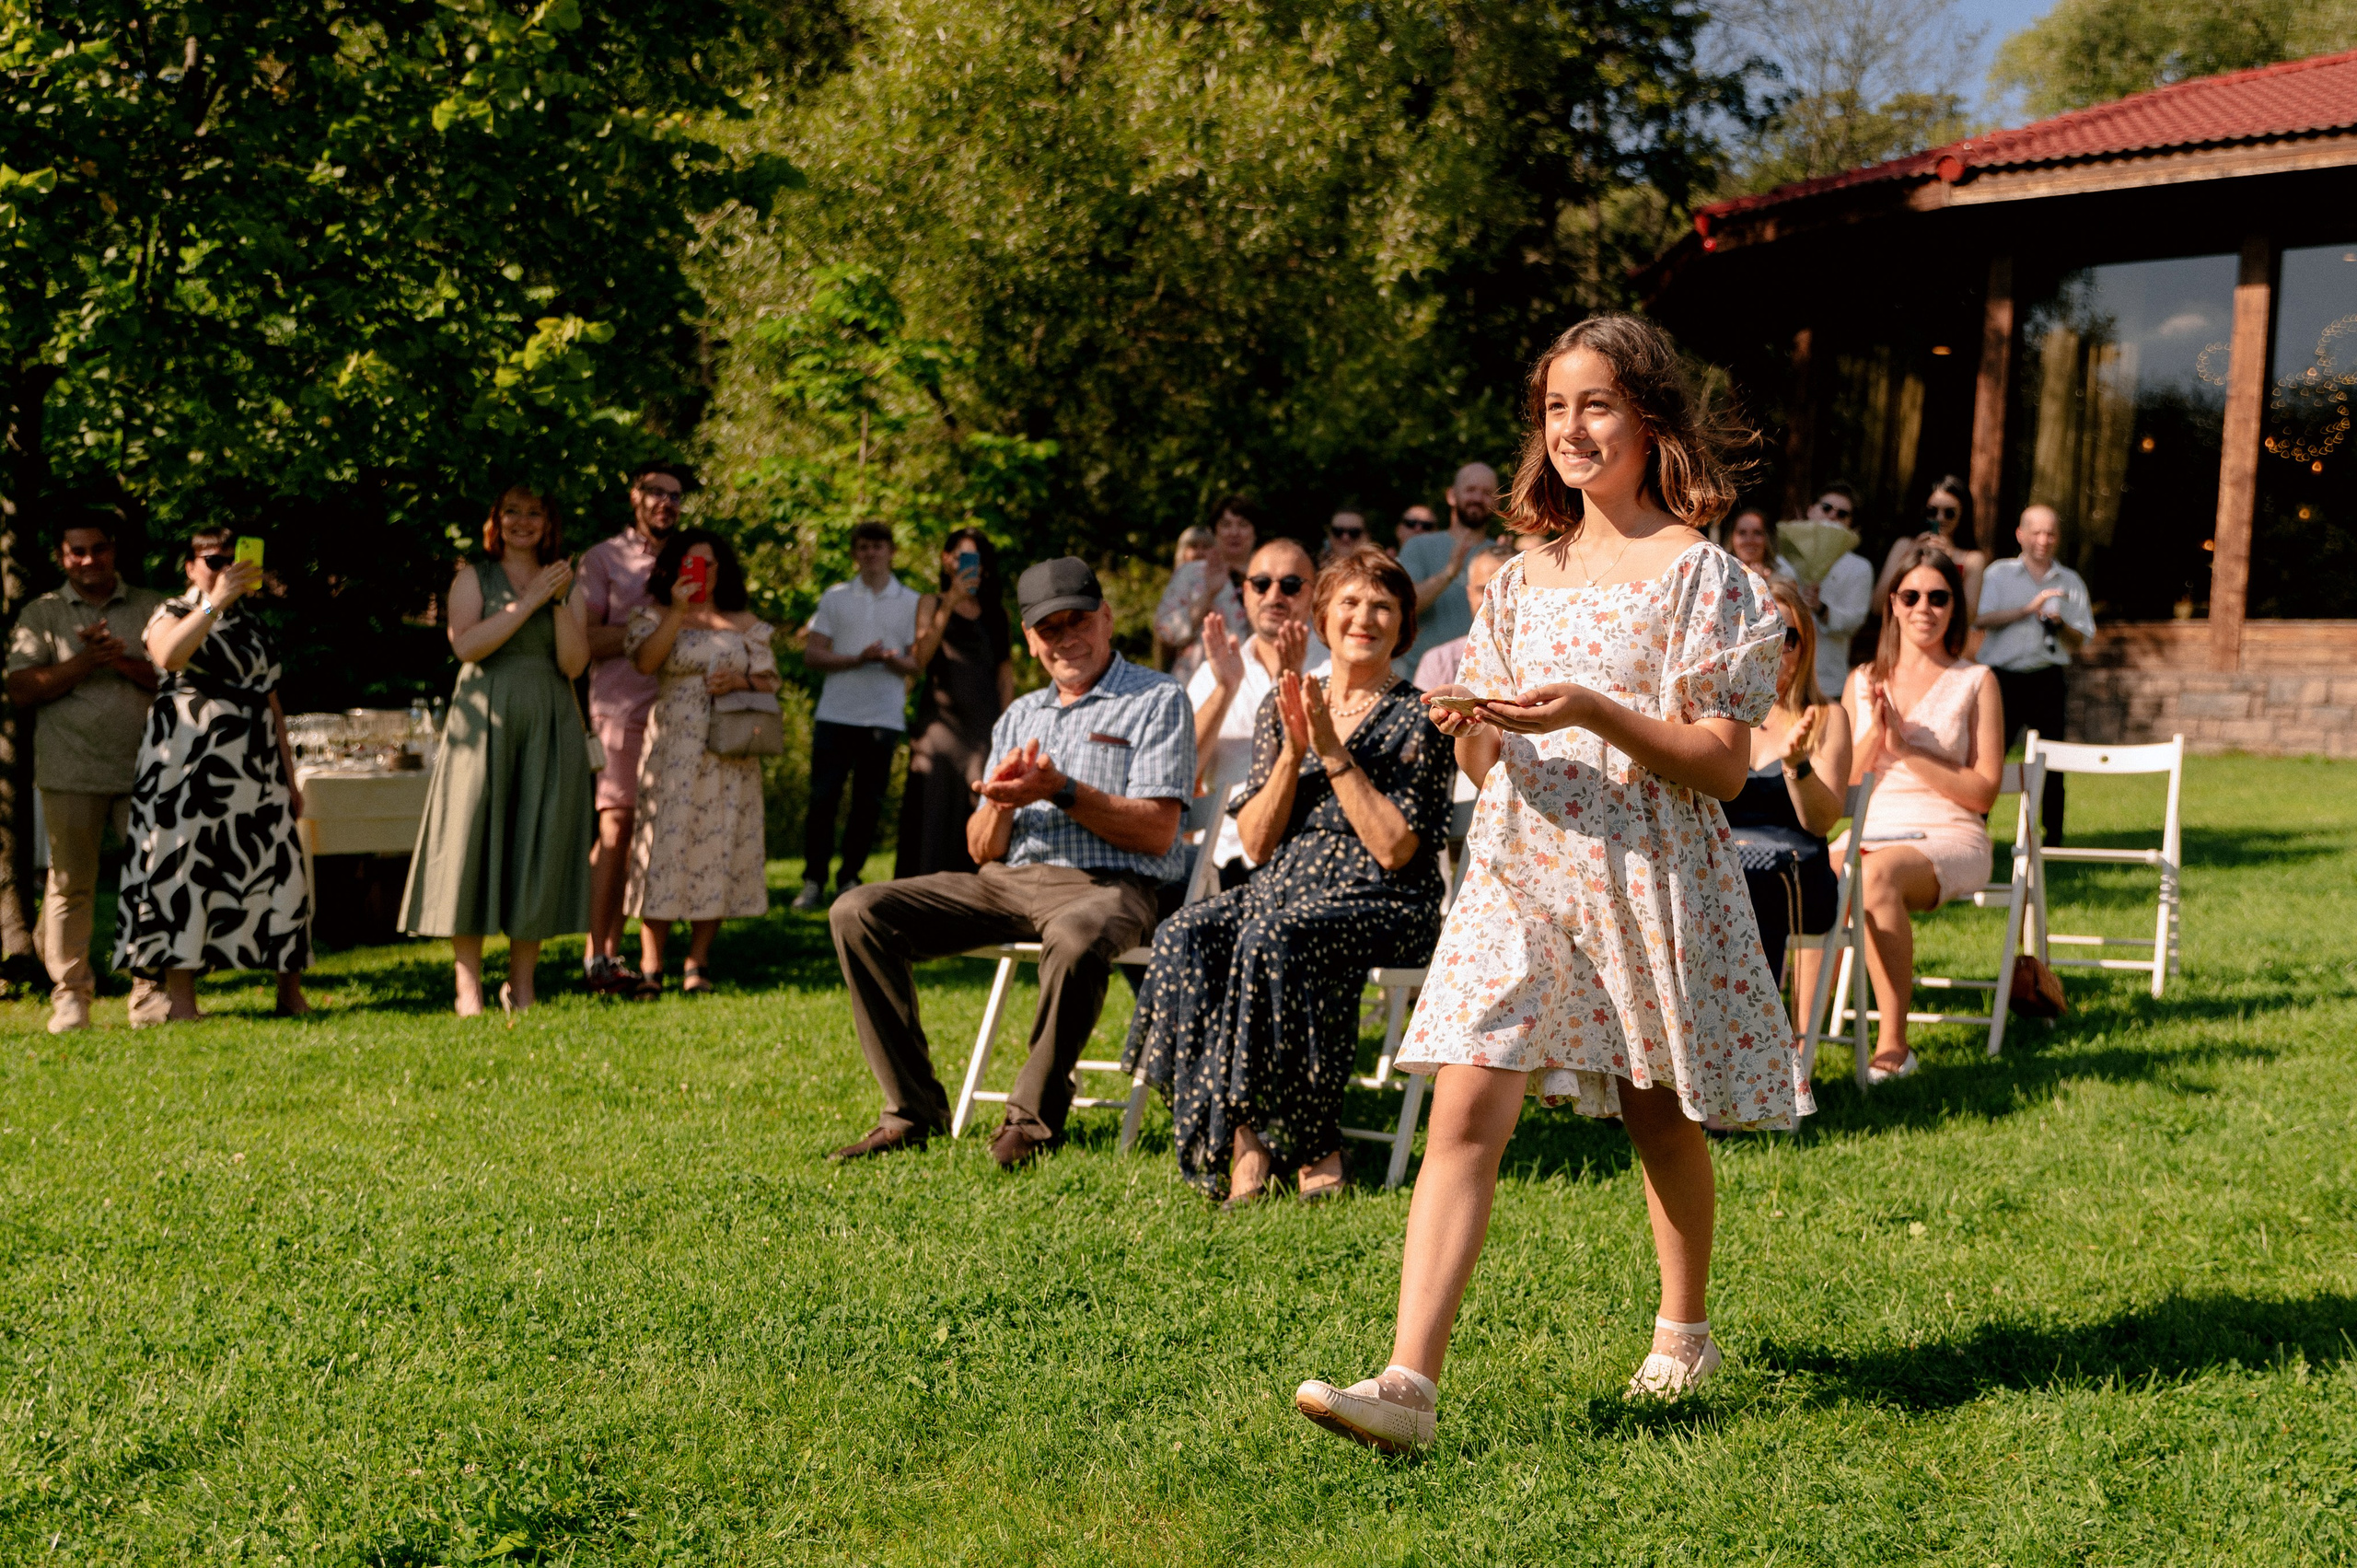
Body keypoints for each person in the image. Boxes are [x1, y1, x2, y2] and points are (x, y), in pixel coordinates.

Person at [1294, 312, 1799, 1453]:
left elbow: (1722, 764)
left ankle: (1683, 1328)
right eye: (1555, 408)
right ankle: (1407, 1382)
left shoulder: (1705, 577)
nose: (1572, 428)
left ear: (1648, 418)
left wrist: (1590, 710)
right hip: (1520, 860)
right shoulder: (1516, 578)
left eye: (1597, 405)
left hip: (1646, 863)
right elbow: (1488, 753)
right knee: (1466, 1099)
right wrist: (1469, 722)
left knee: (1654, 1110)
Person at [827, 558, 1194, 1171]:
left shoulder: (1156, 698)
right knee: (858, 910)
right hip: (1007, 883)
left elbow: (1157, 831)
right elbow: (981, 849)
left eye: (1079, 620)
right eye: (1050, 629)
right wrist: (998, 800)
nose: (1068, 638)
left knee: (1078, 938)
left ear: (1106, 618)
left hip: (1110, 884)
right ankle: (912, 1111)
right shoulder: (1021, 714)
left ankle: (1031, 1120)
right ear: (1030, 639)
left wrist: (1061, 789)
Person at [1126, 551, 1455, 1203]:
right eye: (1350, 604)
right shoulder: (1286, 707)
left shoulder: (1423, 715)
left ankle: (1285, 1141)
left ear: (1404, 626)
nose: (1365, 618)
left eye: (1382, 606)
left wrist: (1332, 751)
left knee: (1274, 935)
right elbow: (1254, 841)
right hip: (1288, 887)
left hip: (1386, 901)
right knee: (1186, 933)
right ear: (1324, 618)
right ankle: (1242, 1130)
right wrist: (1295, 752)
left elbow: (1395, 850)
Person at [401, 484, 595, 1016]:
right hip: (483, 719)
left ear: (548, 522)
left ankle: (522, 983)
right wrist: (527, 602)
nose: (523, 522)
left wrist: (554, 603)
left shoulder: (564, 584)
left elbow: (575, 664)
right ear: (496, 519)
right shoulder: (473, 578)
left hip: (548, 721)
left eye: (535, 512)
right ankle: (468, 985)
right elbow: (467, 645)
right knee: (471, 839)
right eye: (512, 511)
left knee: (537, 840)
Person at [113, 528, 310, 1021]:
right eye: (212, 561)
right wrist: (213, 605)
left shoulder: (256, 625)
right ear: (189, 566)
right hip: (185, 771)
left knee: (282, 870)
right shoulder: (172, 612)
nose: (224, 569)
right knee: (185, 874)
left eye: (232, 560)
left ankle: (289, 992)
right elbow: (168, 656)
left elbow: (272, 700)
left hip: (254, 766)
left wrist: (288, 777)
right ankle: (182, 1002)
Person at [1841, 545, 2004, 1084]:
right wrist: (1877, 735)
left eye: (1938, 598)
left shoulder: (1976, 680)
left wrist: (1910, 750)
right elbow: (1843, 781)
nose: (1924, 608)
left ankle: (1892, 1043)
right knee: (1801, 873)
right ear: (1893, 603)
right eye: (1911, 596)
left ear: (1953, 607)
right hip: (1872, 824)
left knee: (1877, 873)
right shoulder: (1864, 679)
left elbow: (1983, 793)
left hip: (1949, 833)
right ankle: (1797, 1042)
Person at [6, 520, 166, 1032]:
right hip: (69, 770)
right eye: (78, 552)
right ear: (62, 556)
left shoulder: (151, 606)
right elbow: (21, 689)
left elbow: (177, 676)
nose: (89, 559)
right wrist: (84, 662)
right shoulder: (43, 613)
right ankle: (70, 997)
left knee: (152, 881)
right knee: (70, 886)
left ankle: (150, 993)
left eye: (99, 549)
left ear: (114, 551)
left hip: (149, 769)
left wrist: (120, 661)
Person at [622, 529, 779, 995]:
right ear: (674, 568)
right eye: (693, 563)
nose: (703, 572)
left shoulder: (743, 622)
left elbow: (771, 681)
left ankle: (698, 962)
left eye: (710, 564)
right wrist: (678, 609)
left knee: (719, 846)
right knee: (663, 850)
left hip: (728, 751)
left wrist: (740, 680)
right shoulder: (652, 615)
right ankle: (651, 963)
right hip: (673, 748)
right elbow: (647, 662)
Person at [577, 463, 686, 993]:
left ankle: (644, 960)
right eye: (656, 493)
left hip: (681, 714)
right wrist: (646, 632)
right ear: (634, 497)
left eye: (675, 495)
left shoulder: (692, 559)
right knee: (615, 829)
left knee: (656, 835)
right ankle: (598, 957)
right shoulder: (602, 560)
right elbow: (581, 642)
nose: (666, 503)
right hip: (621, 710)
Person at [1725, 577, 1854, 1021]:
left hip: (1799, 877)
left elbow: (1821, 822)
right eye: (1760, 634)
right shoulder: (1718, 717)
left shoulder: (1826, 718)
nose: (1774, 647)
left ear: (1805, 648)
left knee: (1758, 880)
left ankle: (1759, 1038)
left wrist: (1796, 765)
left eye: (1787, 637)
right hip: (1721, 869)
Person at [795, 521, 926, 912]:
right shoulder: (835, 597)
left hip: (883, 718)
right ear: (855, 554)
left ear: (892, 552)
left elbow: (917, 662)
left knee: (868, 802)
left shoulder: (912, 600)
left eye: (878, 547)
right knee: (823, 800)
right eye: (864, 547)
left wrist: (890, 660)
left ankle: (850, 876)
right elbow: (812, 654)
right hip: (835, 714)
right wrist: (857, 658)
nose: (871, 554)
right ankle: (813, 880)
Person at [1187, 540, 1328, 889]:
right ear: (1245, 591)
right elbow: (1182, 770)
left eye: (1291, 585)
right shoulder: (1215, 671)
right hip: (1222, 859)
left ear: (1314, 594)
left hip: (1310, 853)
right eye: (1261, 583)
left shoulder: (1334, 668)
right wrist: (1226, 689)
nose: (1274, 596)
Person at [895, 528, 1016, 879]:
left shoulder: (998, 615)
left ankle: (977, 894)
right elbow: (920, 658)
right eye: (961, 557)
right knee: (932, 810)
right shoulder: (930, 604)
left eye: (975, 559)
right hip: (940, 726)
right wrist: (949, 603)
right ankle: (922, 889)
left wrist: (1005, 729)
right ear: (946, 561)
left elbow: (1004, 677)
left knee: (980, 808)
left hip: (983, 726)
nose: (968, 566)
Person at [1975, 504, 2094, 846]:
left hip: (2047, 678)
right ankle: (1973, 832)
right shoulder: (1998, 574)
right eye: (2037, 532)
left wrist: (2061, 624)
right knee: (1989, 757)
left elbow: (2081, 641)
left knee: (2053, 759)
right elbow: (1979, 619)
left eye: (2050, 533)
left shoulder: (2070, 582)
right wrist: (2028, 610)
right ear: (2020, 534)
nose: (2043, 540)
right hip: (2002, 679)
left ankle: (2053, 840)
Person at [1397, 463, 1500, 673]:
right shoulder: (1419, 546)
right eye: (1470, 490)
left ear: (1497, 502)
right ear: (1451, 496)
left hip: (1482, 677)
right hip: (1417, 677)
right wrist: (1448, 573)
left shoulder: (1502, 556)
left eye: (1487, 493)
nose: (1478, 498)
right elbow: (1402, 607)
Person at [1780, 485, 1875, 710]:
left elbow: (1854, 621)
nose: (1833, 515)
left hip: (1827, 679)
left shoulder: (1859, 567)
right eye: (1826, 508)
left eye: (1842, 514)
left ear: (1851, 524)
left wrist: (1821, 608)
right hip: (1782, 676)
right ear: (1811, 510)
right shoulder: (1784, 559)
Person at [1154, 498, 1258, 682]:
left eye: (1243, 525)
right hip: (1194, 684)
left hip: (1250, 685)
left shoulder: (1268, 577)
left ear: (1255, 532)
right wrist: (1208, 594)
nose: (1234, 532)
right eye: (1226, 525)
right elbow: (1166, 632)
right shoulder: (1190, 574)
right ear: (1214, 532)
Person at [1874, 473, 1987, 627]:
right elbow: (1877, 606)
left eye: (1949, 513)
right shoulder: (1904, 545)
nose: (1940, 518)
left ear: (1962, 515)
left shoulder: (1972, 559)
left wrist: (1949, 563)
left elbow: (1969, 617)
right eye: (1932, 511)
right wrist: (1911, 558)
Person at [1409, 543, 1509, 693]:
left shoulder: (1546, 656)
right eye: (1484, 590)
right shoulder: (1439, 662)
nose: (1493, 598)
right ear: (1469, 593)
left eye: (1506, 589)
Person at [1155, 525, 1216, 668]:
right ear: (1183, 552)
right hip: (1186, 669)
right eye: (1194, 547)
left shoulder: (1228, 581)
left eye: (1206, 547)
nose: (1200, 552)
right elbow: (1166, 635)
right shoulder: (1176, 586)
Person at [1723, 503, 1774, 574]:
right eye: (1742, 533)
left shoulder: (1785, 579)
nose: (1749, 540)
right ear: (1731, 538)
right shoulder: (1719, 576)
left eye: (1757, 533)